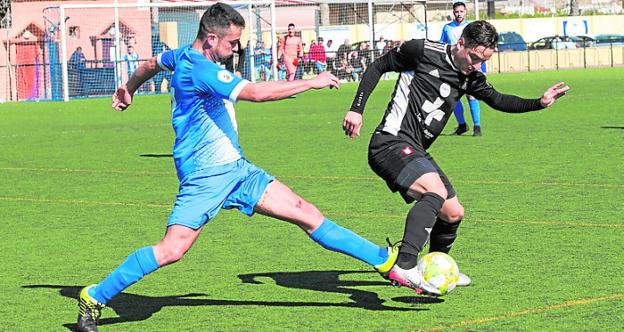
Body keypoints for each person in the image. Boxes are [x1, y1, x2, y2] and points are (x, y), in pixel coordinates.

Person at [76, 4, 403, 331]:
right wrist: (310, 82)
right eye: (232, 43)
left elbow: (151, 64)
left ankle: (385, 261)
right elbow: (256, 93)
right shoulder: (201, 69)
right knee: (172, 249)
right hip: (204, 178)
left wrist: (128, 88)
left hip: (237, 171)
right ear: (210, 39)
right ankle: (94, 296)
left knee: (306, 212)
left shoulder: (179, 56)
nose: (236, 49)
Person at [342, 20, 569, 291]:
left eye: (482, 61)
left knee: (453, 213)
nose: (475, 65)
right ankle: (404, 266)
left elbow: (498, 100)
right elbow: (377, 66)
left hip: (415, 149)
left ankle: (438, 268)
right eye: (473, 57)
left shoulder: (470, 77)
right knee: (434, 192)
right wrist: (357, 109)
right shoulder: (422, 51)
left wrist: (539, 103)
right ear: (461, 43)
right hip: (390, 142)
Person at [440, 1, 483, 136]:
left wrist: (482, 68)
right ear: (453, 13)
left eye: (461, 11)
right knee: (453, 97)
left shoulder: (472, 28)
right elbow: (443, 46)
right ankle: (462, 125)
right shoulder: (447, 28)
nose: (459, 14)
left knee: (471, 95)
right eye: (456, 12)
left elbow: (479, 49)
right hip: (454, 66)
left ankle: (477, 127)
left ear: (465, 12)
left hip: (470, 66)